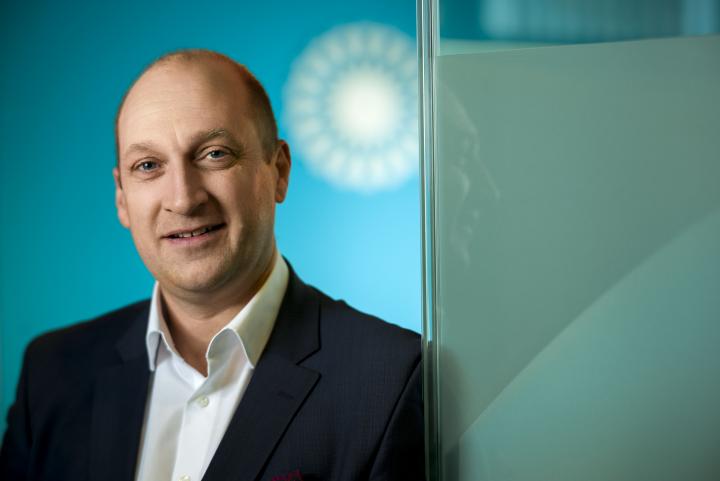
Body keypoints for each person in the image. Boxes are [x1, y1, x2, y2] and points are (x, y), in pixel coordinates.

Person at [0, 49, 423, 481]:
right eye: (148, 165)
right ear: (122, 198)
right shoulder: (51, 374)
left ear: (278, 171)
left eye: (214, 154)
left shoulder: (389, 380)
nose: (183, 199)